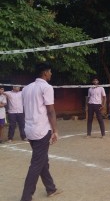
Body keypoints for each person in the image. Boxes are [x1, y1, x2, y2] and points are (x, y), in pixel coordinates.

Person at [20, 63, 62, 201]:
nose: (51, 74)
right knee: (37, 163)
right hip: (41, 130)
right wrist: (55, 130)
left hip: (30, 130)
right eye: (50, 71)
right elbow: (50, 111)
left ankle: (51, 188)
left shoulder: (26, 89)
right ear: (45, 73)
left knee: (42, 159)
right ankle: (26, 197)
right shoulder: (46, 87)